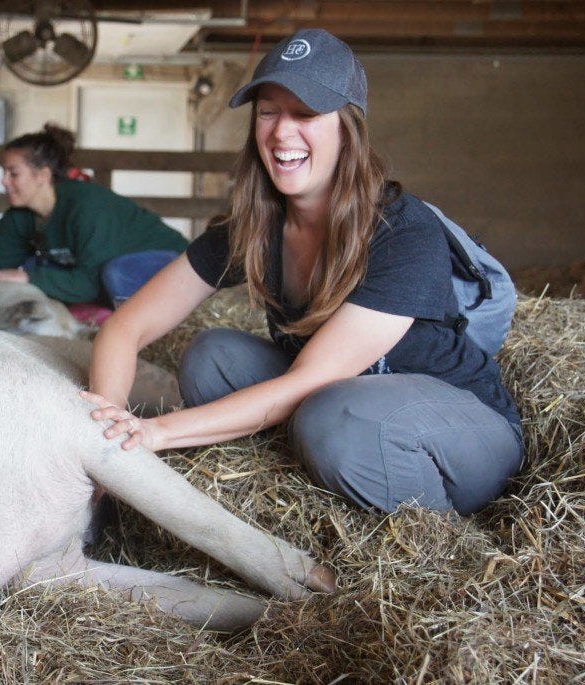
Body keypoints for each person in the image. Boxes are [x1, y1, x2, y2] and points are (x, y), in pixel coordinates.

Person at [81, 29, 523, 516]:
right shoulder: (254, 226)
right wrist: (106, 427)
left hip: (458, 430)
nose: (282, 132)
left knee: (336, 418)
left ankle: (439, 538)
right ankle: (324, 472)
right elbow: (126, 326)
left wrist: (155, 433)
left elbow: (310, 380)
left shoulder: (403, 231)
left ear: (347, 127)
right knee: (212, 356)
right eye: (268, 111)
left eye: (307, 113)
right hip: (337, 408)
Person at [0, 124, 189, 311]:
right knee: (32, 264)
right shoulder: (22, 216)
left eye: (13, 173)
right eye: (4, 172)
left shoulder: (87, 207)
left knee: (114, 275)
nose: (3, 181)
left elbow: (87, 282)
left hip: (169, 265)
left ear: (42, 176)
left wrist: (27, 278)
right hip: (103, 273)